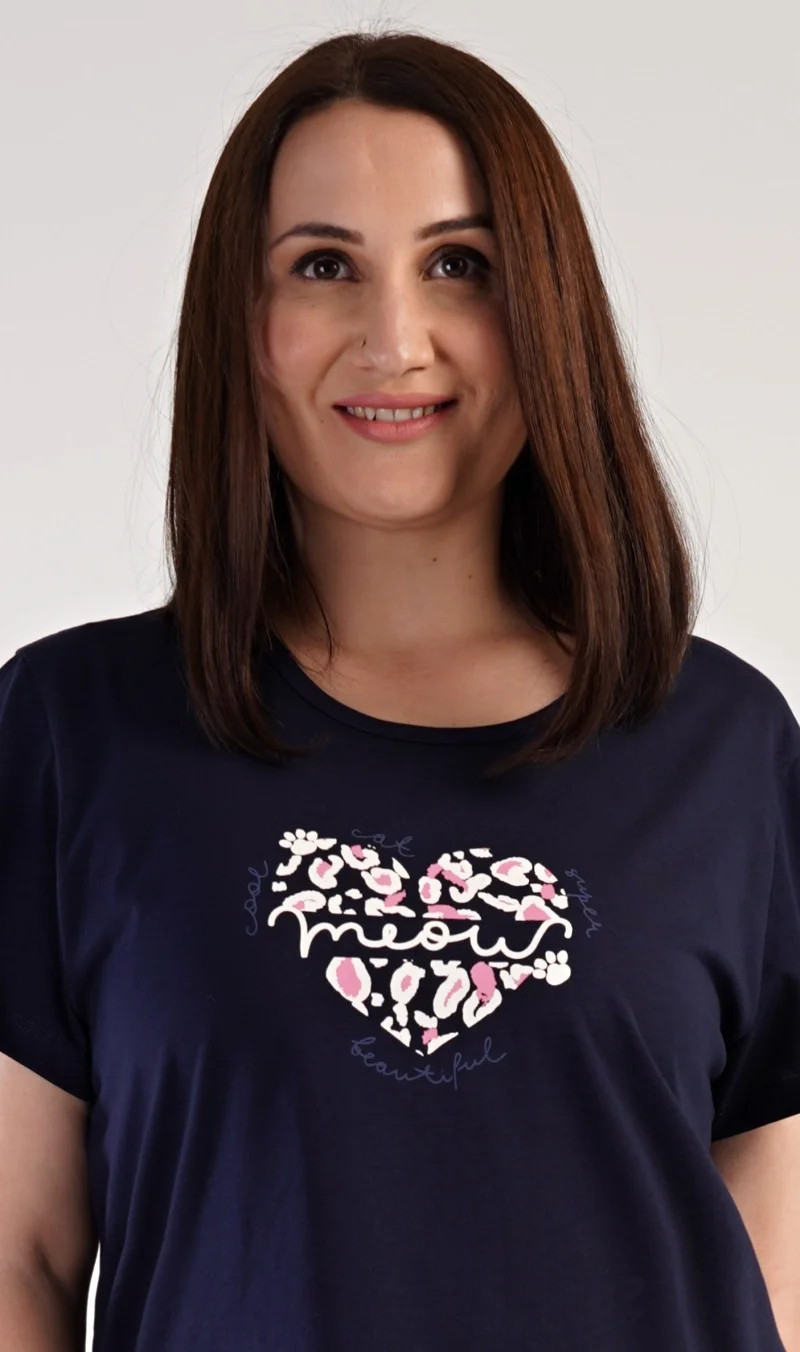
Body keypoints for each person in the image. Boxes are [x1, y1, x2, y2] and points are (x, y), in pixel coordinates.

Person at [1, 26, 799, 1352]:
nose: (394, 339)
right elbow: (17, 1256)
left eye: (458, 265)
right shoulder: (74, 732)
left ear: (545, 312)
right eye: (324, 266)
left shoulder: (723, 746)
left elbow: (772, 1233)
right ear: (242, 323)